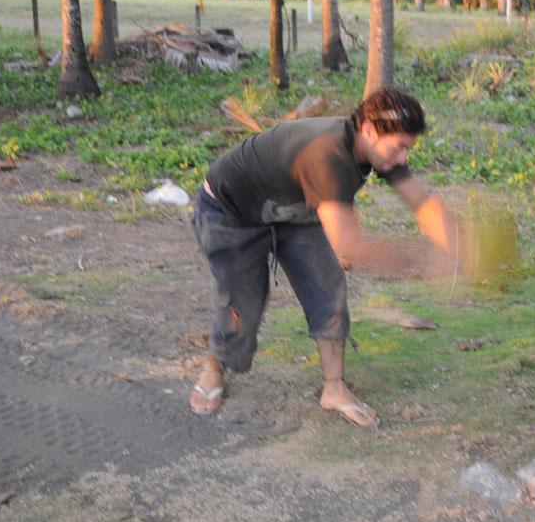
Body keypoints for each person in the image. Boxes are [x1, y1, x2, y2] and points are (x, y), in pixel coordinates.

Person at [189, 87, 457, 427]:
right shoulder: (327, 155)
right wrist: (422, 261)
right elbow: (350, 248)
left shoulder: (376, 149)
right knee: (243, 302)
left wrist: (456, 245)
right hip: (231, 213)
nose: (403, 158)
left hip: (292, 209)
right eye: (400, 147)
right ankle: (214, 367)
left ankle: (334, 389)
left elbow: (420, 202)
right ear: (370, 131)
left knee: (327, 286)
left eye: (408, 148)